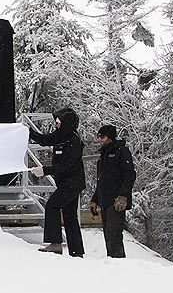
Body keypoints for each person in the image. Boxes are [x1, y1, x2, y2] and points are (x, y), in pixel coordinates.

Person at [28, 107, 86, 257]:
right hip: (65, 182)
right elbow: (45, 140)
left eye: (59, 122)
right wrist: (29, 132)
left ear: (67, 123)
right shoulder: (61, 135)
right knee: (69, 215)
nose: (56, 125)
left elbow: (67, 165)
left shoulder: (73, 140)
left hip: (73, 182)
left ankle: (55, 244)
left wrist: (45, 171)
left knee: (52, 206)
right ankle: (76, 251)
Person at [89, 124, 137, 258]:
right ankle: (113, 262)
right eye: (98, 137)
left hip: (116, 201)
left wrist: (123, 195)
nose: (100, 140)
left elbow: (130, 174)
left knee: (114, 235)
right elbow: (102, 181)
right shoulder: (103, 155)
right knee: (108, 236)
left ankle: (118, 264)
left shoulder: (121, 151)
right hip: (104, 200)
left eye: (102, 137)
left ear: (110, 137)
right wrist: (95, 200)